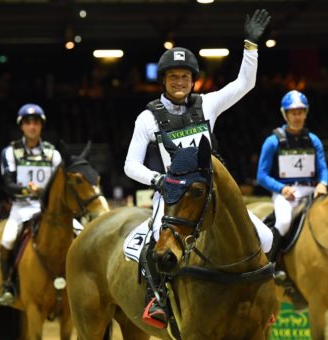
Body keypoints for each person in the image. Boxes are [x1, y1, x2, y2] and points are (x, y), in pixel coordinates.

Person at [123, 9, 271, 328]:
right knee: (151, 244)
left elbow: (245, 83)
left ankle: (263, 294)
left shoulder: (208, 105)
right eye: (174, 77)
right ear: (164, 80)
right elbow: (130, 165)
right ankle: (158, 300)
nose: (180, 82)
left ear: (193, 80)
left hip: (213, 196)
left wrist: (250, 46)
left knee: (266, 238)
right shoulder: (148, 118)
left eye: (185, 77)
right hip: (174, 197)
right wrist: (159, 179)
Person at [0, 104, 84, 305]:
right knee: (8, 239)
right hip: (22, 208)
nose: (32, 126)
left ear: (41, 126)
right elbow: (8, 185)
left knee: (82, 233)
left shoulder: (53, 154)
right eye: (28, 123)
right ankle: (8, 284)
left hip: (50, 209)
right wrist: (28, 190)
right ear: (22, 126)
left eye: (36, 122)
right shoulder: (11, 152)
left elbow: (62, 183)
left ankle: (85, 280)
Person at [256, 90, 328, 261]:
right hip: (286, 193)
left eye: (301, 112)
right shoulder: (272, 141)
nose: (297, 117)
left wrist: (323, 183)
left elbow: (323, 169)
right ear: (286, 114)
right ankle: (270, 263)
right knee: (283, 222)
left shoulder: (314, 140)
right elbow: (261, 175)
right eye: (293, 113)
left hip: (310, 190)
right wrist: (282, 189)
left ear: (306, 113)